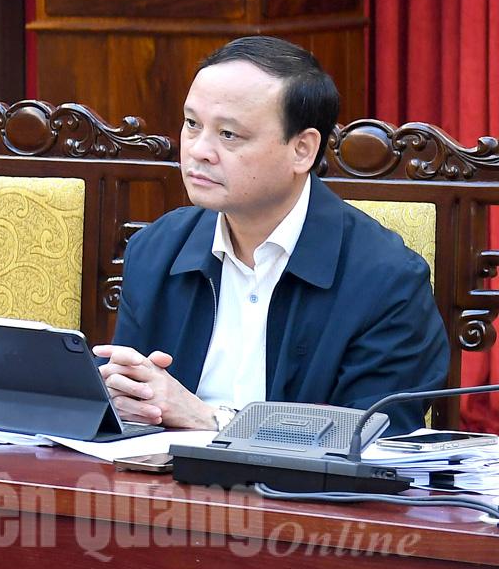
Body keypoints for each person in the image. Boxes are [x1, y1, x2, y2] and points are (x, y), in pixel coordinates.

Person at [97, 37, 446, 432]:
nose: (199, 150)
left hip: (304, 494)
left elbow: (377, 435)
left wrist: (209, 420)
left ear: (302, 150)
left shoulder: (386, 279)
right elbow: (128, 399)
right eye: (192, 124)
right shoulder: (156, 250)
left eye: (229, 134)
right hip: (160, 486)